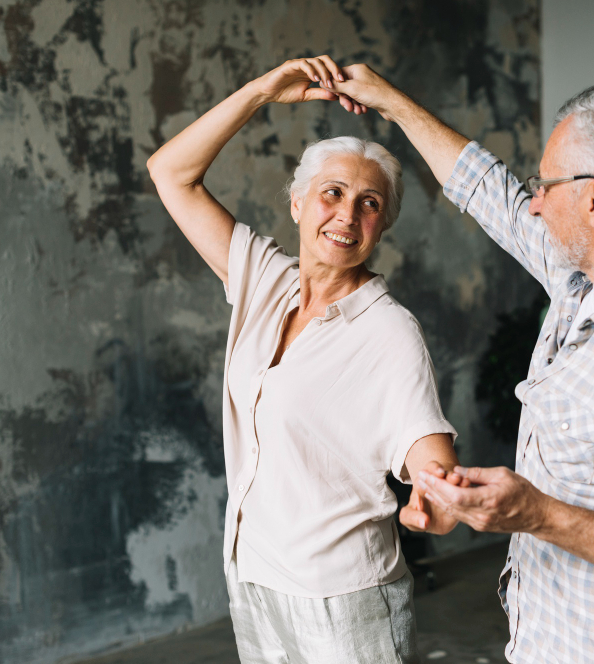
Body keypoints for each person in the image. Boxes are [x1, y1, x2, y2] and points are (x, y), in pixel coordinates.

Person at [333, 66, 594, 662]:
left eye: (546, 184)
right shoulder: (581, 278)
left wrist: (537, 513)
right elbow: (488, 192)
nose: (532, 203)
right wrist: (389, 101)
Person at [146, 55, 467, 664]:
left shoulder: (390, 332)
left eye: (370, 203)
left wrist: (436, 499)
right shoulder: (263, 278)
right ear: (297, 205)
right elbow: (170, 173)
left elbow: (432, 461)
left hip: (342, 599)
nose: (347, 214)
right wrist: (262, 91)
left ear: (382, 226)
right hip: (254, 577)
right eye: (333, 193)